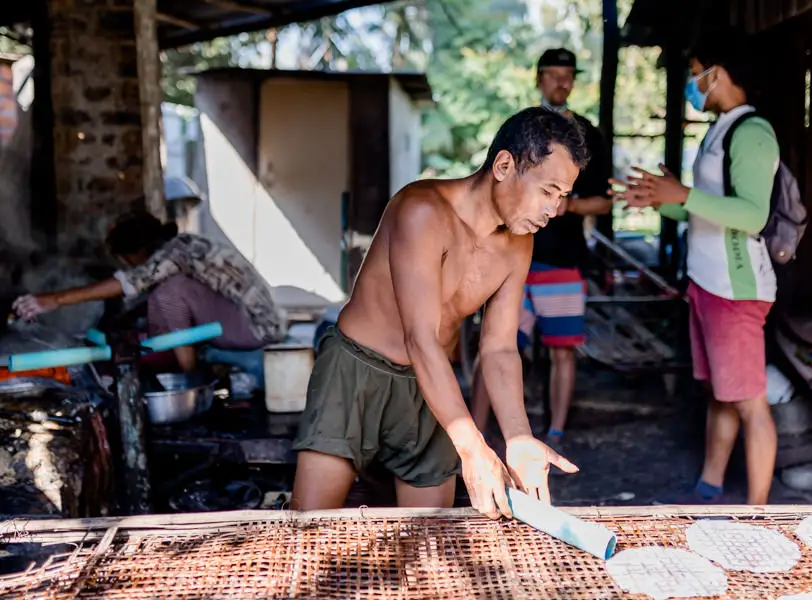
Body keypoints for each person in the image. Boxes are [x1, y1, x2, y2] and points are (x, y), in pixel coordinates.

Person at [291, 107, 587, 518]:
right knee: (308, 528)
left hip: (431, 386)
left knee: (434, 538)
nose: (553, 211)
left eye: (562, 196)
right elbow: (420, 337)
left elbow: (500, 348)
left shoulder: (519, 242)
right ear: (504, 165)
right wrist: (472, 446)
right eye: (548, 191)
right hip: (355, 372)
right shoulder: (423, 210)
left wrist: (518, 437)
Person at [612, 30, 779, 505]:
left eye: (693, 75)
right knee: (720, 392)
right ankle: (709, 484)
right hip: (706, 283)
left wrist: (682, 193)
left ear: (717, 74)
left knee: (749, 400)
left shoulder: (753, 133)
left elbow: (752, 215)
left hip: (736, 288)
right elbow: (705, 209)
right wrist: (659, 200)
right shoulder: (720, 128)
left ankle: (760, 514)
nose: (691, 85)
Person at [470, 48, 613, 445]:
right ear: (538, 79)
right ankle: (477, 433)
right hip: (512, 256)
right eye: (552, 75)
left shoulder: (588, 136)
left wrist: (567, 203)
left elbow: (604, 201)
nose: (561, 83)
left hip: (563, 263)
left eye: (568, 75)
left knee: (562, 351)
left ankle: (555, 434)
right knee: (494, 347)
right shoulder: (523, 132)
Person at [13, 210, 283, 372]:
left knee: (168, 293)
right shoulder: (178, 253)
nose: (127, 266)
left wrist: (55, 299)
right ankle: (183, 364)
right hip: (246, 326)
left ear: (137, 252)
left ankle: (186, 374)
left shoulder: (180, 249)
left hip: (256, 327)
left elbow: (132, 282)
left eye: (126, 260)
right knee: (161, 296)